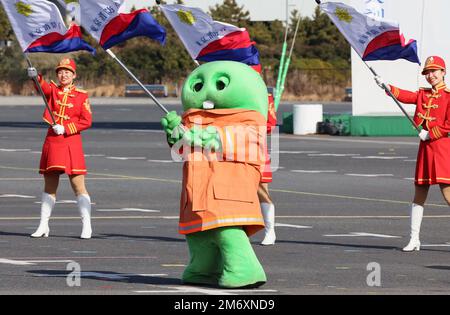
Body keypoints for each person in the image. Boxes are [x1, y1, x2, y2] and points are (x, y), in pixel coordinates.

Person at [375, 56, 450, 251]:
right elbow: (406, 96)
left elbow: (449, 125)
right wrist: (387, 86)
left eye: (434, 71)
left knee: (448, 195)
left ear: (443, 72)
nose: (431, 75)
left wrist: (431, 133)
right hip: (425, 150)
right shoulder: (423, 94)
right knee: (419, 194)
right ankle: (414, 238)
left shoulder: (449, 96)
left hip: (442, 149)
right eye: (427, 72)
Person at [28, 58, 93, 239]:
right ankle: (43, 225)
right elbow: (42, 88)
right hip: (53, 142)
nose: (63, 75)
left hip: (71, 142)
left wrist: (66, 128)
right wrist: (35, 77)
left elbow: (86, 121)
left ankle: (86, 225)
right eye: (60, 72)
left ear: (74, 75)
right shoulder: (53, 90)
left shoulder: (82, 95)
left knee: (78, 185)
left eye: (67, 72)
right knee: (49, 185)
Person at [258, 93, 277, 245]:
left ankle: (269, 230)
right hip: (227, 146)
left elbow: (270, 124)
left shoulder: (264, 95)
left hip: (255, 147)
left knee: (261, 190)